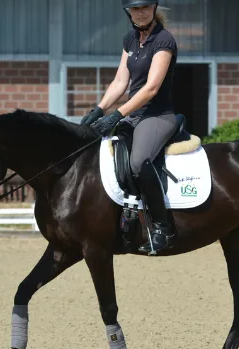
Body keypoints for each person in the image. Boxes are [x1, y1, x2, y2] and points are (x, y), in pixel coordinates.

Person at [81, 0, 178, 253]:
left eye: (145, 7)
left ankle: (163, 229)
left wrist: (117, 115)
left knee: (138, 163)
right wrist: (100, 109)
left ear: (154, 8)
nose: (141, 12)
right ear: (129, 12)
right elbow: (120, 80)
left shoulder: (164, 40)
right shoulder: (131, 39)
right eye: (136, 9)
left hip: (157, 116)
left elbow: (151, 88)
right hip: (133, 116)